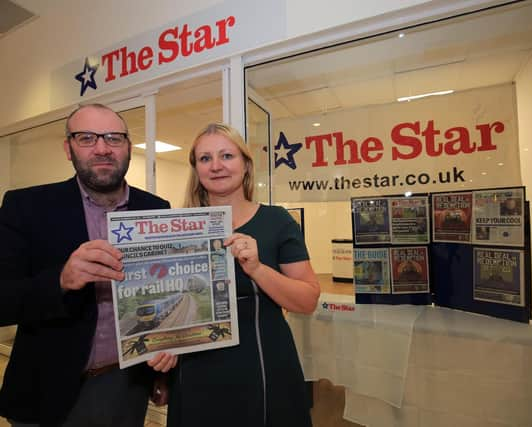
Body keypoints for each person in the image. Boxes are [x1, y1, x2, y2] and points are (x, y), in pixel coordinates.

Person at [0, 103, 177, 427]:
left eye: (113, 138)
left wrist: (163, 374)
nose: (102, 148)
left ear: (127, 146)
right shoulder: (25, 206)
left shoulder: (155, 208)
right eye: (86, 138)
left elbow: (163, 294)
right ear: (68, 148)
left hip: (127, 387)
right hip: (46, 391)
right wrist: (60, 280)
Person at [166, 123, 320, 427]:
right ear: (196, 169)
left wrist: (258, 270)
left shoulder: (276, 221)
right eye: (205, 158)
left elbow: (308, 300)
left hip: (263, 363)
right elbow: (170, 304)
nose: (217, 166)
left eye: (227, 155)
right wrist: (162, 346)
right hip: (197, 367)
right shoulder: (178, 226)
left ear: (245, 165)